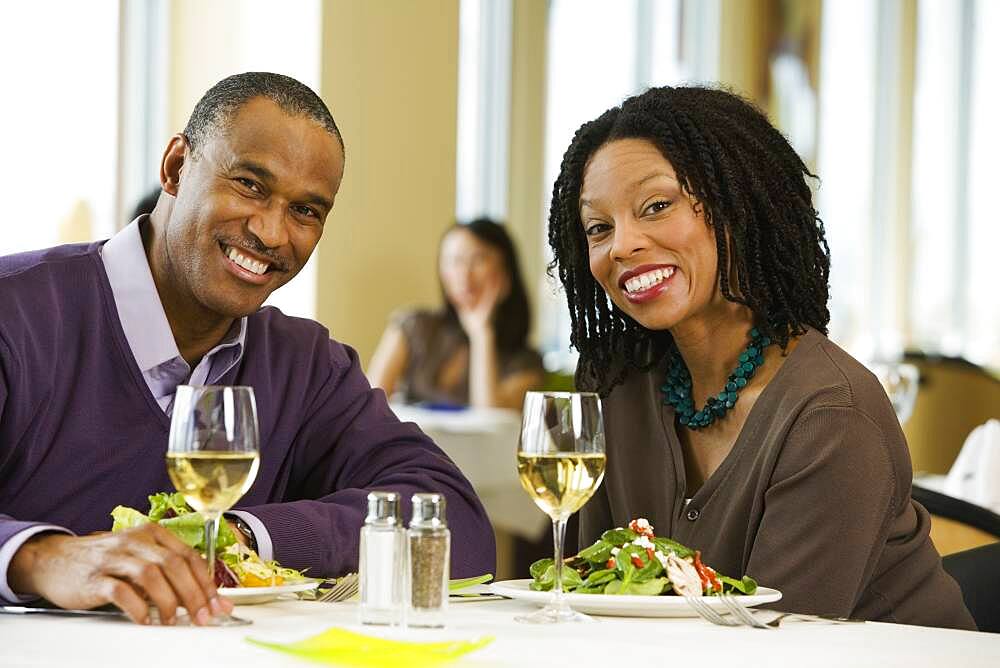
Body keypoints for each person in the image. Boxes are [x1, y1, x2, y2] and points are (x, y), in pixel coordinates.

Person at [0, 72, 495, 625]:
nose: (272, 232)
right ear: (175, 167)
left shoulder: (307, 365)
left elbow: (452, 523)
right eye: (249, 185)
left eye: (306, 211)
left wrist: (244, 536)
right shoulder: (16, 314)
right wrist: (39, 557)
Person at [546, 85, 975, 629]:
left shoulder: (831, 415)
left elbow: (774, 650)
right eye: (598, 228)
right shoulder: (615, 387)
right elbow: (592, 602)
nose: (622, 245)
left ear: (739, 206)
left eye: (657, 206)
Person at [368, 218, 544, 410]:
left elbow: (491, 421)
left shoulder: (526, 363)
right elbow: (369, 408)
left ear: (506, 272)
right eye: (454, 261)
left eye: (478, 260)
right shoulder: (413, 327)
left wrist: (481, 334)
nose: (464, 275)